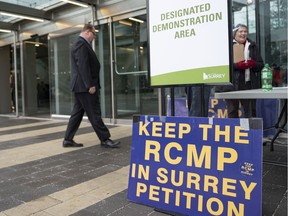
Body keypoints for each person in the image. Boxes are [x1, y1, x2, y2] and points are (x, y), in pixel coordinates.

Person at [63, 23, 120, 148]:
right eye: (93, 34)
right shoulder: (80, 44)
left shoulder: (82, 44)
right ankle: (105, 139)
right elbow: (83, 66)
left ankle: (68, 139)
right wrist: (89, 85)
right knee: (94, 112)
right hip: (85, 87)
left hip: (81, 86)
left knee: (77, 114)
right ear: (88, 32)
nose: (94, 37)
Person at [216, 24, 264, 118]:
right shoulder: (228, 45)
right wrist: (237, 66)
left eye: (245, 31)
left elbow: (260, 64)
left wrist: (253, 64)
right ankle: (234, 132)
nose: (243, 33)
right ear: (235, 33)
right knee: (232, 111)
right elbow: (222, 65)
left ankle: (250, 132)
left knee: (250, 111)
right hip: (232, 85)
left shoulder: (252, 45)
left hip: (248, 84)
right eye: (240, 31)